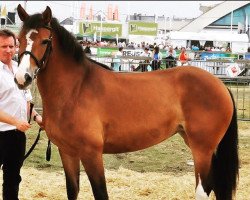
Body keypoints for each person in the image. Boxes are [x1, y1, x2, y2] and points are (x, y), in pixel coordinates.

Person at [0, 29, 43, 200]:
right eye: (3, 46)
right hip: (1, 132)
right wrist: (16, 122)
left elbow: (25, 101)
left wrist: (37, 117)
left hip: (17, 136)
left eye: (11, 46)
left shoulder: (19, 69)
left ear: (17, 47)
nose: (8, 50)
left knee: (13, 179)